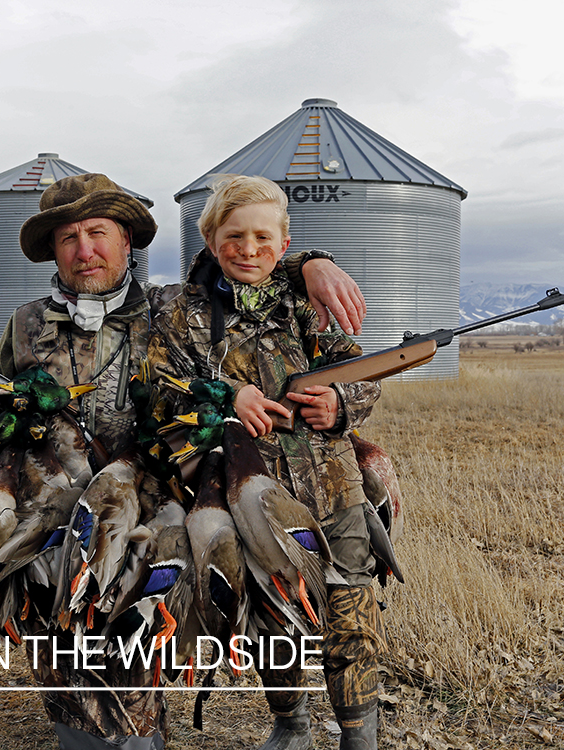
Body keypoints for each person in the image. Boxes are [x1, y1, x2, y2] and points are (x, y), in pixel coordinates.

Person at [0, 172, 368, 750]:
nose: (85, 250)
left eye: (98, 232)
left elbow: (245, 261)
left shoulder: (173, 313)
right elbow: (5, 416)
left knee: (108, 719)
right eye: (67, 238)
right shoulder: (27, 323)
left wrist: (311, 262)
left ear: (127, 241)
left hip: (127, 533)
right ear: (51, 251)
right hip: (30, 516)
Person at [146, 174, 386, 750]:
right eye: (232, 237)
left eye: (261, 237)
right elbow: (159, 391)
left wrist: (341, 403)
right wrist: (225, 395)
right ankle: (291, 724)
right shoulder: (182, 312)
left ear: (283, 245)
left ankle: (360, 735)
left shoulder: (309, 303)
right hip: (251, 497)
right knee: (272, 613)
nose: (247, 249)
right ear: (209, 242)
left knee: (351, 614)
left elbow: (361, 373)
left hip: (335, 489)